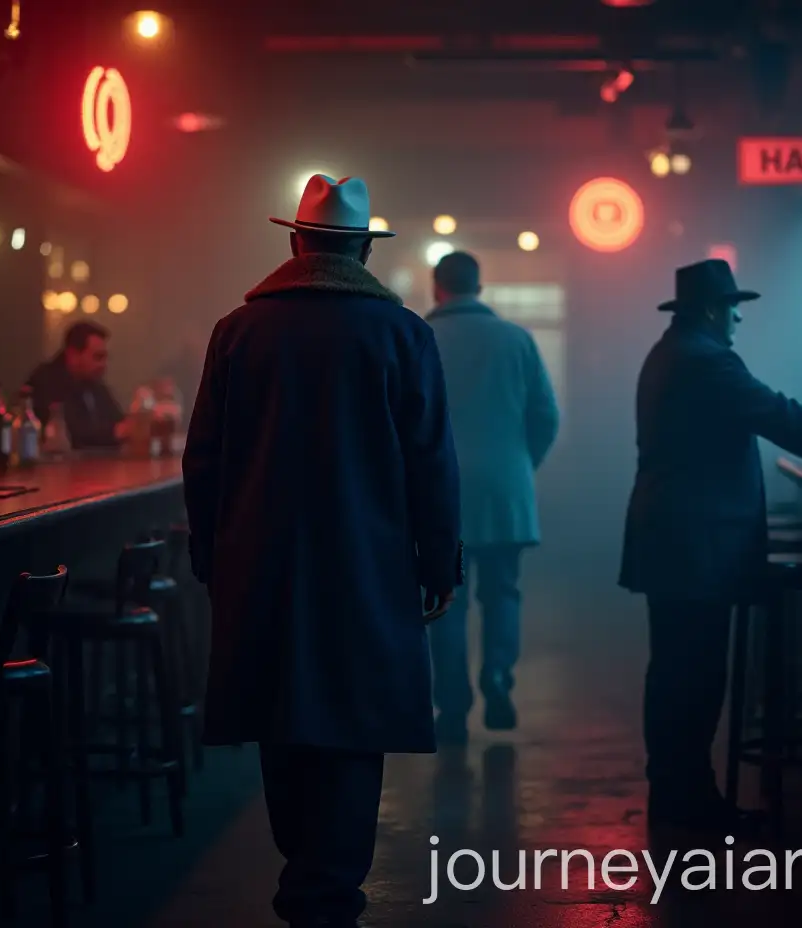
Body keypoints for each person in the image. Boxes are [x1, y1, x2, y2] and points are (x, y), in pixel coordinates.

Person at [182, 174, 463, 928]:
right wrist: (439, 562)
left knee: (282, 709)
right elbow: (431, 461)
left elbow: (202, 459)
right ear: (366, 248)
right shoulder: (404, 335)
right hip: (365, 563)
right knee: (352, 717)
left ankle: (303, 872)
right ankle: (328, 885)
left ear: (295, 242)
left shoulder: (237, 332)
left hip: (261, 560)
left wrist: (213, 556)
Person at [618, 258, 802, 832]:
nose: (738, 319)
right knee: (693, 681)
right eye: (733, 307)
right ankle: (690, 810)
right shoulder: (706, 361)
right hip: (694, 544)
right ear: (710, 309)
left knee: (677, 676)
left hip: (674, 539)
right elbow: (779, 415)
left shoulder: (672, 353)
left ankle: (681, 802)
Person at [425, 252, 560, 742]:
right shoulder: (517, 339)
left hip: (441, 498)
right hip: (506, 492)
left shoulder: (418, 339)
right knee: (503, 592)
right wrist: (521, 466)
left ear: (437, 287)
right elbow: (546, 416)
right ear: (479, 287)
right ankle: (499, 678)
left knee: (446, 602)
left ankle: (453, 707)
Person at [25, 321, 129, 449]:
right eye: (98, 357)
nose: (103, 365)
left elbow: (117, 420)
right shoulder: (46, 382)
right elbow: (70, 434)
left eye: (105, 358)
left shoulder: (94, 384)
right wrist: (115, 432)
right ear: (73, 355)